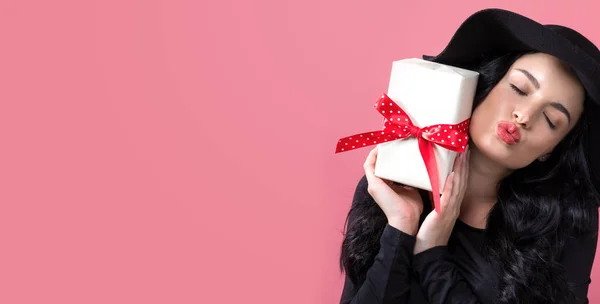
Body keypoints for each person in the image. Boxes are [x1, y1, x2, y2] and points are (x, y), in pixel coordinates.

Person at [338, 8, 600, 304]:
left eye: (551, 120)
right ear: (486, 84)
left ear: (551, 149)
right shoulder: (391, 185)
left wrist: (432, 253)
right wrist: (401, 226)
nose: (524, 115)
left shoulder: (568, 222)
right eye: (518, 88)